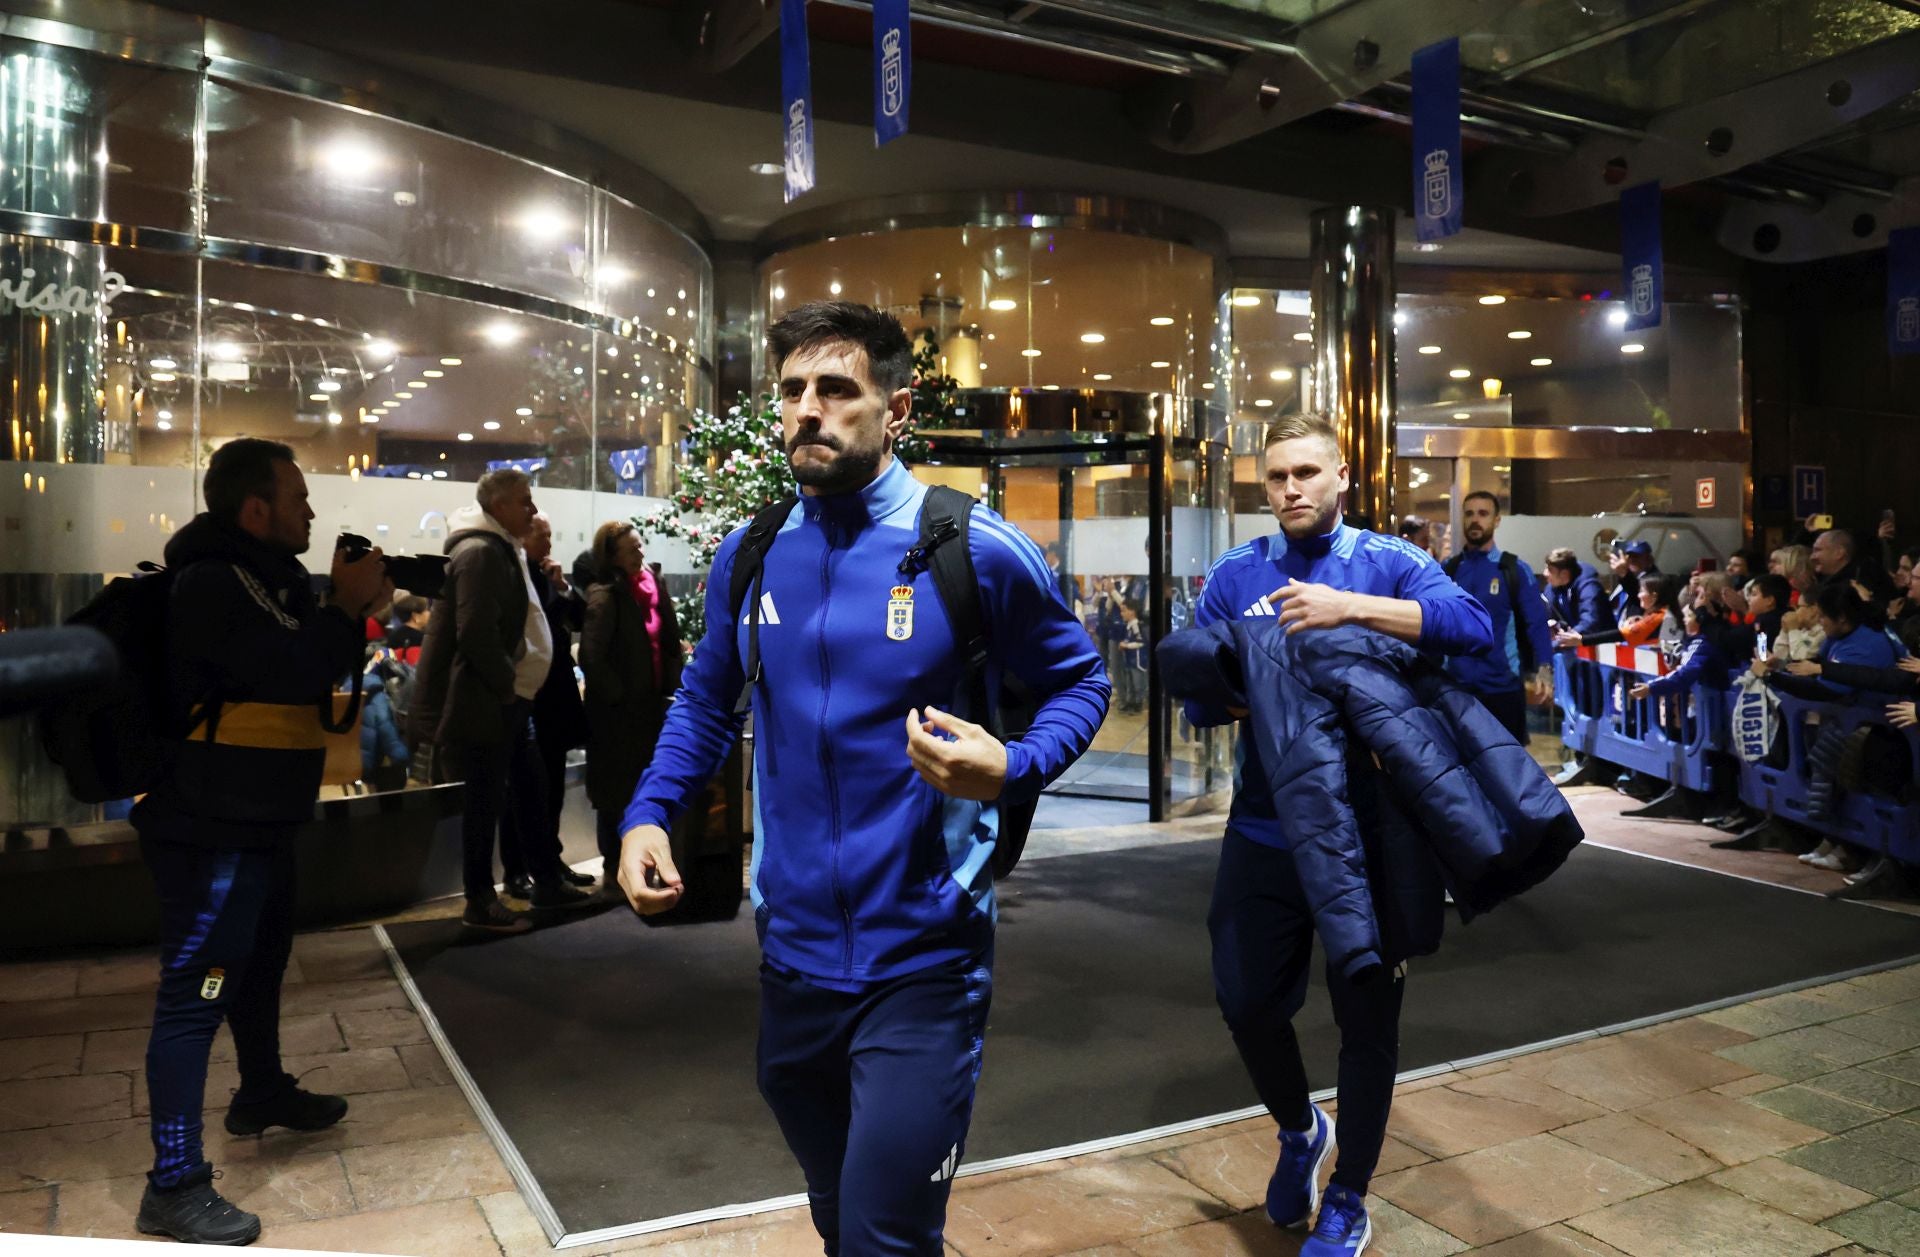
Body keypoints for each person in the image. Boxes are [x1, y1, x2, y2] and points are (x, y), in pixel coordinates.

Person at [616, 300, 1109, 1255]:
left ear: (895, 407)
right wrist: (648, 814)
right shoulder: (753, 553)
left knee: (886, 1233)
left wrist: (1013, 765)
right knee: (843, 1217)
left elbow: (1080, 680)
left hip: (926, 961)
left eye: (837, 389)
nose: (808, 409)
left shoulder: (973, 547)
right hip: (791, 955)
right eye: (793, 390)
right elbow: (704, 698)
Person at [1184, 412, 1492, 1257]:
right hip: (1266, 828)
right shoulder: (1235, 575)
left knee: (1368, 1022)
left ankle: (1350, 1195)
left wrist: (1346, 608)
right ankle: (1298, 1130)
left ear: (1342, 475)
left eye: (1307, 473)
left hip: (1375, 835)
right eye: (1277, 476)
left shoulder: (1390, 561)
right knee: (1245, 1001)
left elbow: (1474, 629)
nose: (1289, 489)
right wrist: (1258, 691)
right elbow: (1199, 700)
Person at [129, 439, 390, 1245]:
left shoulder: (263, 581)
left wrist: (341, 610)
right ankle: (173, 1181)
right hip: (212, 831)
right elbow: (290, 668)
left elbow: (310, 670)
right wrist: (344, 608)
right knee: (196, 991)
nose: (312, 512)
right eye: (299, 499)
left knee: (260, 963)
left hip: (259, 825)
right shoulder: (212, 584)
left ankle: (263, 1090)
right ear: (255, 510)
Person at [411, 469, 590, 933]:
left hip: (511, 700)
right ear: (497, 506)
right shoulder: (480, 552)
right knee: (486, 801)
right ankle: (480, 899)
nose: (531, 511)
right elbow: (475, 633)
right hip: (493, 701)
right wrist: (507, 683)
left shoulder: (500, 547)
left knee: (529, 790)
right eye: (523, 502)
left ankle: (546, 881)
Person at [499, 512, 596, 899]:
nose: (551, 544)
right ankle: (516, 869)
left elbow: (578, 618)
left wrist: (562, 585)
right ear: (524, 538)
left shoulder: (546, 577)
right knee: (521, 789)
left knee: (551, 784)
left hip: (555, 697)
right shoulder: (515, 576)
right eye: (544, 536)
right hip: (530, 697)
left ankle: (549, 859)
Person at [581, 520, 683, 885]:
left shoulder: (654, 585)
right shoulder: (605, 596)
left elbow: (670, 640)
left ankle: (650, 863)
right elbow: (592, 659)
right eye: (631, 549)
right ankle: (614, 868)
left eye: (640, 546)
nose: (641, 553)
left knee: (649, 784)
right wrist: (619, 697)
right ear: (612, 557)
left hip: (652, 708)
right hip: (617, 717)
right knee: (615, 793)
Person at [1442, 492, 1555, 743]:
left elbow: (1536, 623)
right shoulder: (1448, 569)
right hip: (1456, 687)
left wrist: (1545, 668)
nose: (1475, 520)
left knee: (1507, 770)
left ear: (1496, 520)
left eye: (1483, 514)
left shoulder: (1512, 569)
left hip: (1502, 688)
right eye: (1469, 513)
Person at [1543, 546, 1615, 638]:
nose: (1545, 573)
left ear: (1564, 574)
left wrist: (1566, 636)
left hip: (1599, 642)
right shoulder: (1553, 587)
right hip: (1573, 640)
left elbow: (1590, 621)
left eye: (1550, 570)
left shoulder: (1589, 587)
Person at [1608, 539, 1659, 625]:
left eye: (1637, 556)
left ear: (1649, 559)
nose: (1632, 560)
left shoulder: (1655, 579)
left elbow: (1636, 593)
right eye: (1629, 556)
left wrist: (1624, 574)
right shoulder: (1628, 578)